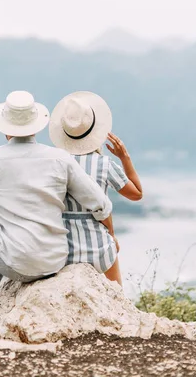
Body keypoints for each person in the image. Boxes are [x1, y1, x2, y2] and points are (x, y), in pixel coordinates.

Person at [0, 90, 114, 316]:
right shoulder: (60, 158)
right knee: (6, 232)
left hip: (18, 265)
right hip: (55, 261)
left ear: (4, 129)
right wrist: (110, 234)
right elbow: (101, 204)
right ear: (36, 126)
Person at [49, 91, 143, 286]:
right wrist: (124, 157)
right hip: (99, 248)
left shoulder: (54, 163)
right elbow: (137, 194)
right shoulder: (104, 164)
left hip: (63, 250)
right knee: (118, 299)